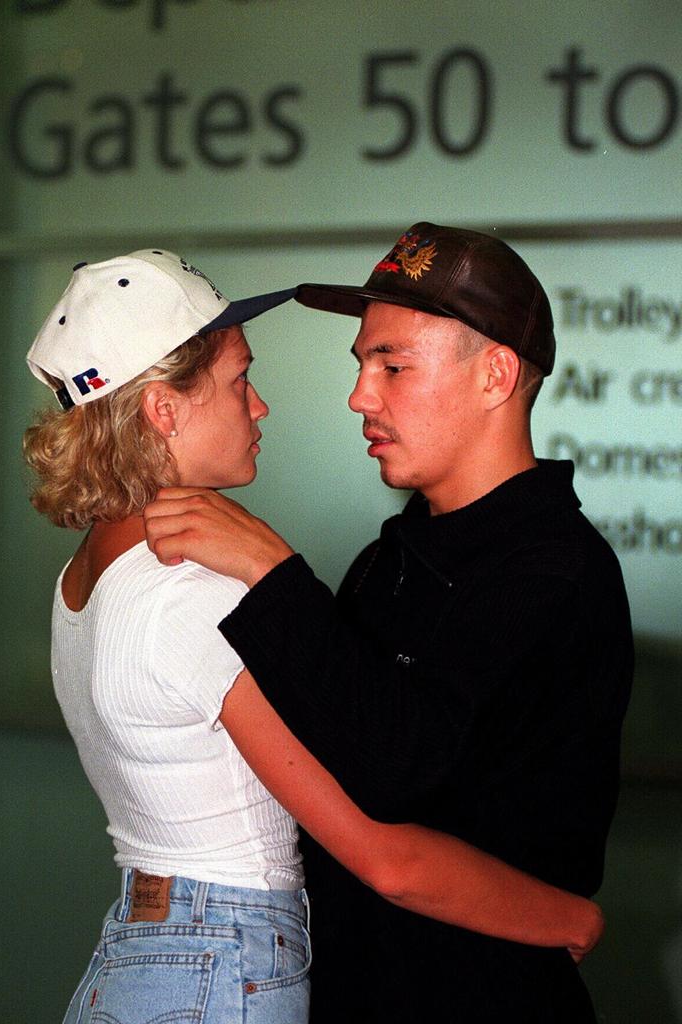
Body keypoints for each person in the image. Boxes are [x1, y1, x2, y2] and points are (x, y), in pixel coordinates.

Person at [142, 224, 634, 1022]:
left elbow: (393, 772)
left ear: (495, 376)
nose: (360, 396)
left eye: (393, 366)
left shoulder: (554, 570)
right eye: (363, 365)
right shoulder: (394, 556)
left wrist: (270, 572)